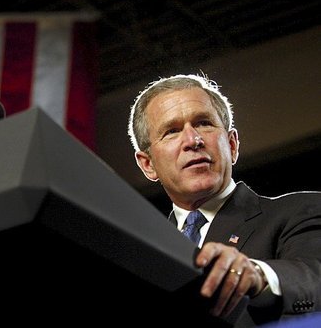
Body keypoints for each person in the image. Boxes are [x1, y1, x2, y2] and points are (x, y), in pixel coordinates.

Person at [127, 74, 321, 325]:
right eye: (172, 131)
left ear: (232, 145)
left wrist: (259, 276)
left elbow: (314, 277)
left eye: (204, 123)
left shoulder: (301, 211)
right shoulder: (141, 256)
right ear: (148, 164)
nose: (193, 140)